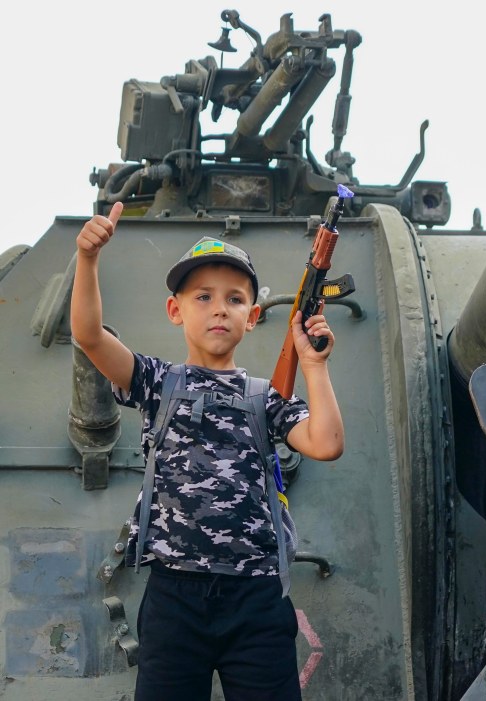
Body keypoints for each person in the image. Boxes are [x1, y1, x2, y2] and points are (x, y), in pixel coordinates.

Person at [70, 202, 344, 700]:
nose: (220, 308)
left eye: (235, 299)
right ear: (176, 310)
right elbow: (89, 336)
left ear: (253, 316)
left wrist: (315, 366)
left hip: (257, 599)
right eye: (203, 296)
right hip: (176, 597)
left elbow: (325, 443)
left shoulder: (267, 398)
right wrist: (87, 259)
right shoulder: (157, 382)